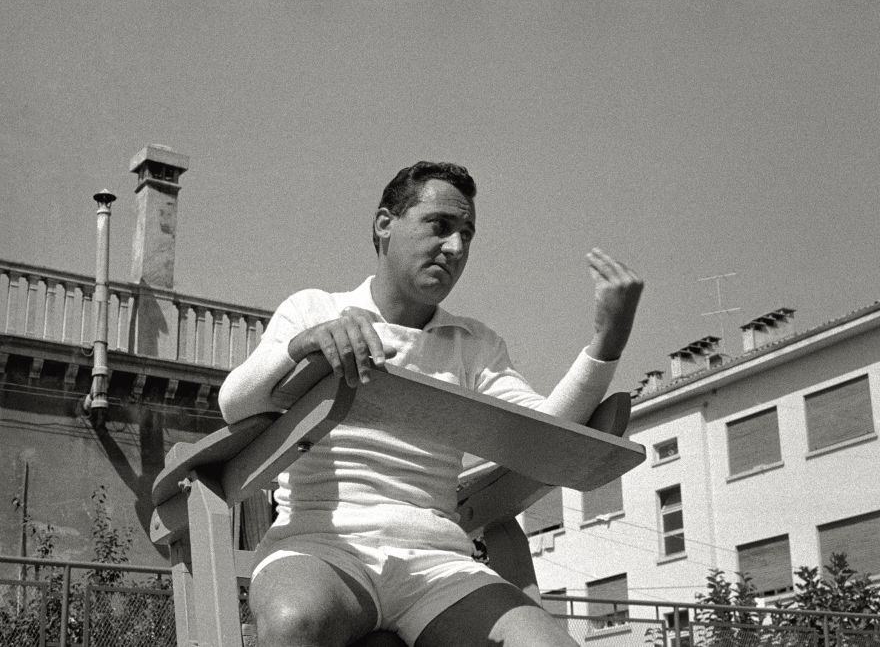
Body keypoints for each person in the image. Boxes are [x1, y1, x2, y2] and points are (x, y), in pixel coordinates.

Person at [218, 161, 643, 647]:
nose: (457, 248)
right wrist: (304, 346)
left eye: (468, 234)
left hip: (438, 565)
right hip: (323, 547)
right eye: (440, 226)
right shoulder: (315, 310)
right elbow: (234, 404)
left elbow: (542, 431)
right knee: (296, 622)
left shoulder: (474, 344)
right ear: (385, 224)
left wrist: (607, 341)